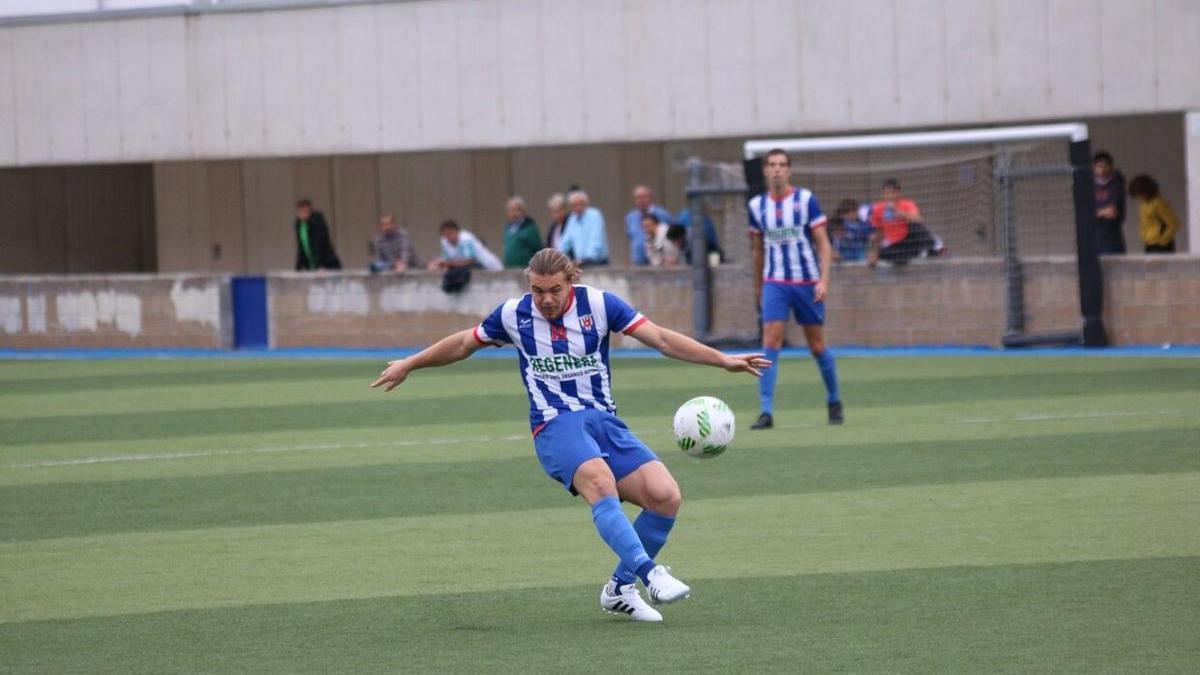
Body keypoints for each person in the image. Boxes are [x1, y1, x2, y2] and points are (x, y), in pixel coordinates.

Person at [371, 248, 769, 622]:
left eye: (554, 290)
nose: (545, 299)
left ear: (571, 281)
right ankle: (650, 574)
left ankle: (619, 588)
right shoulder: (513, 315)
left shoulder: (600, 305)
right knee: (600, 482)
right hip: (555, 423)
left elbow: (662, 339)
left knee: (666, 498)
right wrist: (411, 363)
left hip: (603, 422)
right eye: (537, 290)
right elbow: (462, 343)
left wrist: (723, 361)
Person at [748, 148, 843, 429]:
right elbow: (757, 251)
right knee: (771, 342)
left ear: (789, 170)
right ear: (765, 170)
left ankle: (834, 400)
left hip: (806, 282)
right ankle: (766, 411)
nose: (777, 169)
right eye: (772, 164)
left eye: (782, 165)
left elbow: (823, 243)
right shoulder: (756, 206)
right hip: (775, 282)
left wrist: (823, 280)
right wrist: (759, 288)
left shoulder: (806, 200)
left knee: (816, 345)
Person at [866, 179, 941, 266]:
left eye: (892, 193)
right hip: (896, 244)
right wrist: (873, 248)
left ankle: (929, 250)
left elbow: (918, 219)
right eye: (886, 193)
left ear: (899, 193)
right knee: (883, 254)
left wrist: (900, 213)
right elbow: (879, 232)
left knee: (915, 226)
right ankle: (912, 256)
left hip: (910, 240)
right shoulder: (877, 209)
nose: (889, 196)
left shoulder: (907, 204)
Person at [1128, 174, 1180, 253]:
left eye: (1140, 193)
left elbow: (1174, 224)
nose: (1139, 196)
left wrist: (1163, 240)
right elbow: (1144, 223)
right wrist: (1143, 236)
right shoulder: (1143, 205)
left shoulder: (1159, 203)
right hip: (1149, 243)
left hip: (1161, 245)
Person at [624, 185, 674, 266]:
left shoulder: (663, 214)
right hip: (638, 262)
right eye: (638, 198)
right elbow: (631, 237)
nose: (641, 200)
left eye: (644, 197)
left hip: (660, 263)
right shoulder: (630, 217)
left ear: (651, 198)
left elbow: (673, 237)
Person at [557, 190, 609, 266]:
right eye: (575, 205)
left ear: (586, 204)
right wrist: (557, 257)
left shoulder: (594, 215)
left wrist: (587, 259)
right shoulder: (572, 219)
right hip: (582, 262)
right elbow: (565, 241)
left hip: (597, 261)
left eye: (581, 204)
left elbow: (596, 239)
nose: (578, 207)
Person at [426, 219, 502, 271]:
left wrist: (446, 264)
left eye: (450, 234)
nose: (448, 238)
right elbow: (447, 260)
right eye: (445, 235)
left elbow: (470, 261)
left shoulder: (465, 239)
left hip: (489, 267)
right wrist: (436, 263)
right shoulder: (444, 241)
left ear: (457, 231)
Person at [294, 199, 342, 271]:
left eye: (305, 212)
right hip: (312, 265)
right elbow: (302, 247)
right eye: (300, 212)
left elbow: (319, 245)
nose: (302, 214)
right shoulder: (299, 225)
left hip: (326, 263)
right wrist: (299, 266)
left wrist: (320, 264)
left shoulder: (317, 223)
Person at [1093, 152, 1127, 254]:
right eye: (1099, 167)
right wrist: (1102, 212)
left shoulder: (1116, 185)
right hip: (1093, 238)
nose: (1102, 170)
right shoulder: (1088, 186)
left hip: (1112, 239)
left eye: (1105, 166)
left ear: (1111, 166)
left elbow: (1112, 212)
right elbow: (1084, 213)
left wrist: (1098, 212)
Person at [502, 196, 543, 268]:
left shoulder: (530, 228)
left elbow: (538, 250)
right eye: (511, 210)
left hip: (525, 270)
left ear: (523, 212)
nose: (514, 214)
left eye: (517, 210)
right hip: (509, 270)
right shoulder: (507, 229)